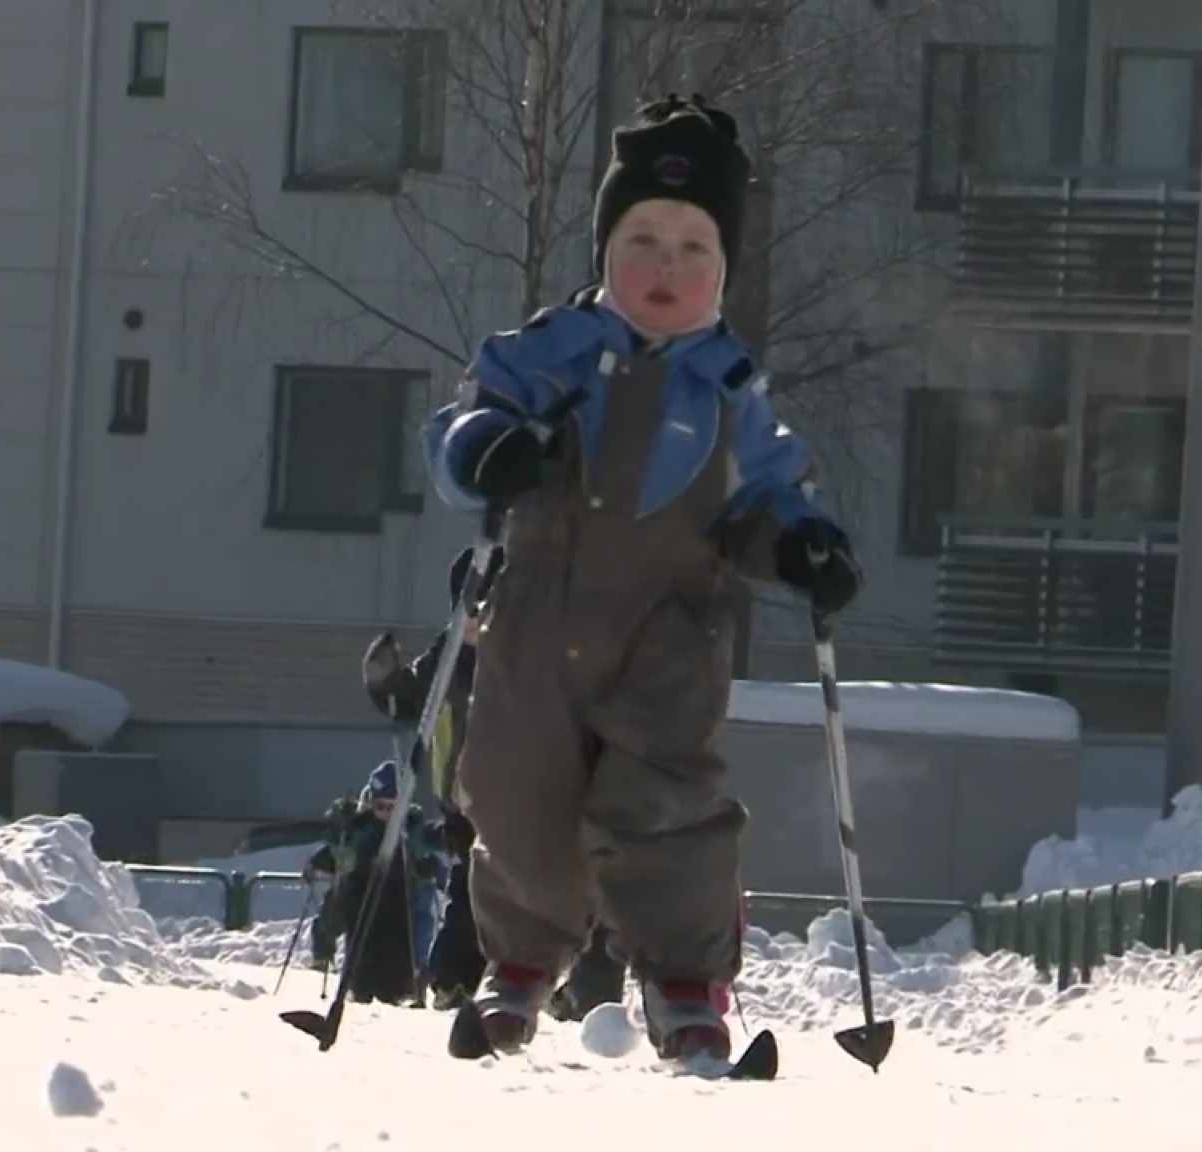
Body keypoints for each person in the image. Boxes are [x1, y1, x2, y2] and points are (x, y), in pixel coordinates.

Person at [420, 93, 862, 1062]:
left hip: (668, 627)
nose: (665, 270)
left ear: (723, 272)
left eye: (692, 250)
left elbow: (775, 488)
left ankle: (684, 979)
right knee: (512, 788)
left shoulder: (727, 390)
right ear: (604, 254)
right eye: (643, 244)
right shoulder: (547, 355)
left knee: (663, 801)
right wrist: (488, 450)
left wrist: (802, 545)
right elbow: (458, 427)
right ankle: (520, 966)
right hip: (536, 616)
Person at [363, 544, 503, 1008]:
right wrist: (384, 680)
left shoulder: (519, 660)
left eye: (487, 612)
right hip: (462, 798)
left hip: (512, 798)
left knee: (504, 889)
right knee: (471, 888)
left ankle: (514, 979)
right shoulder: (443, 661)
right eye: (468, 612)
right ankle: (452, 979)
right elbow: (405, 702)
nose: (475, 625)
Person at [302, 761, 449, 1006]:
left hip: (401, 892)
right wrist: (322, 860)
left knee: (420, 918)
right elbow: (341, 852)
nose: (387, 814)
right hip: (364, 889)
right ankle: (334, 961)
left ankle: (416, 973)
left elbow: (425, 845)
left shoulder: (410, 827)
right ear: (371, 804)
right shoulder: (363, 828)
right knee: (343, 907)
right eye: (381, 807)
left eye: (394, 807)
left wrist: (435, 859)